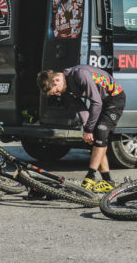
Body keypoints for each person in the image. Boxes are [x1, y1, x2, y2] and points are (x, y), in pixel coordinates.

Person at [36, 65, 125, 193]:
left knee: (100, 132)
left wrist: (89, 129)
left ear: (56, 80)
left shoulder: (80, 75)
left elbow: (96, 103)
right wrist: (87, 130)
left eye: (55, 91)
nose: (58, 94)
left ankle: (90, 176)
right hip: (101, 101)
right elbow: (80, 107)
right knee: (96, 138)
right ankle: (108, 181)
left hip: (115, 98)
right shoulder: (65, 89)